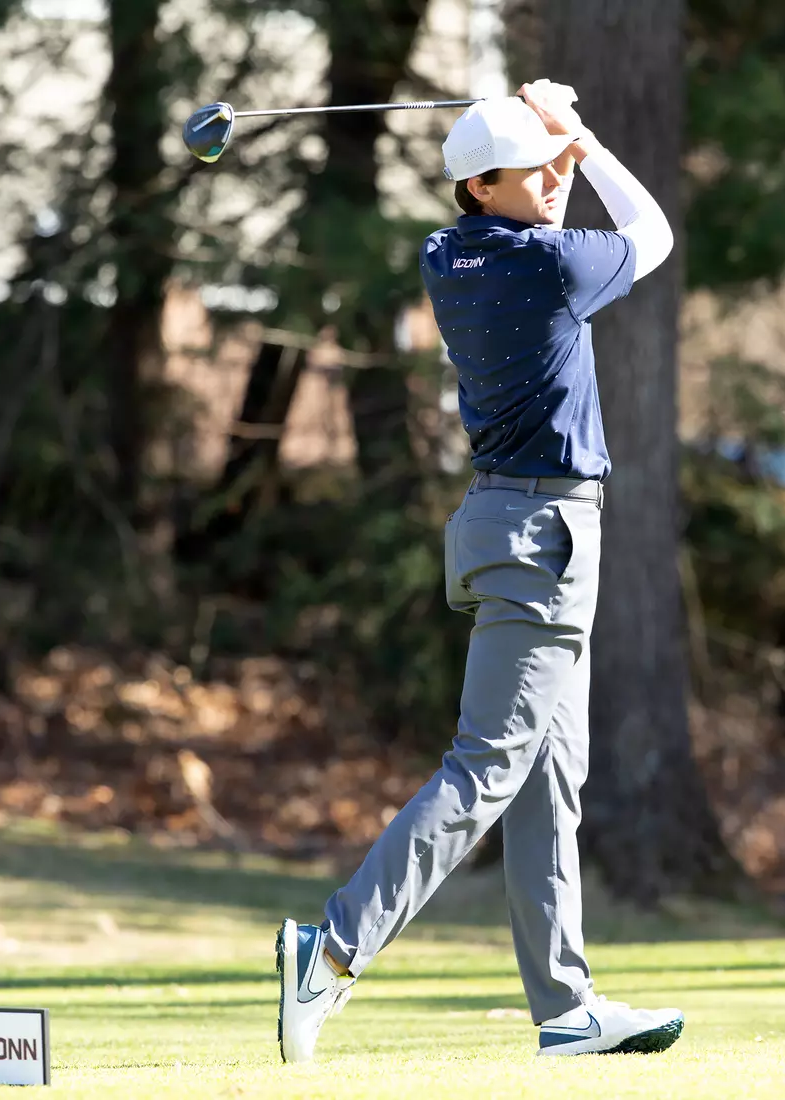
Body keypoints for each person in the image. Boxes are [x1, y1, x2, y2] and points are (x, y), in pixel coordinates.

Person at [275, 79, 682, 1063]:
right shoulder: (549, 265)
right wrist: (580, 128)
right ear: (481, 183)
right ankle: (329, 948)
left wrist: (536, 133)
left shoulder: (448, 253)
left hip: (504, 524)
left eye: (555, 166)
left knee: (551, 777)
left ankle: (566, 1006)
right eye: (534, 170)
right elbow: (655, 232)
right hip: (545, 537)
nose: (555, 178)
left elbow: (543, 212)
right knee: (490, 760)